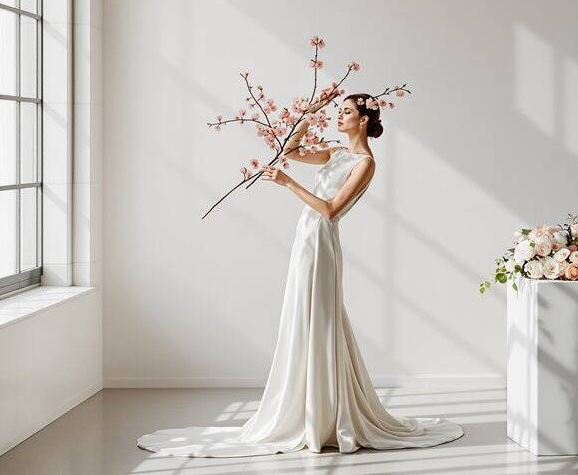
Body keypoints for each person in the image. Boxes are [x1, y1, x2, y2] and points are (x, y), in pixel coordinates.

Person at [137, 92, 464, 457]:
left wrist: (288, 184)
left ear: (364, 121)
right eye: (339, 111)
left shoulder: (365, 163)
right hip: (305, 238)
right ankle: (311, 408)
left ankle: (325, 415)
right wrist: (308, 115)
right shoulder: (337, 153)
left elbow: (330, 209)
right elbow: (290, 153)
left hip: (322, 242)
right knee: (301, 317)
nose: (339, 117)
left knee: (320, 320)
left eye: (346, 113)